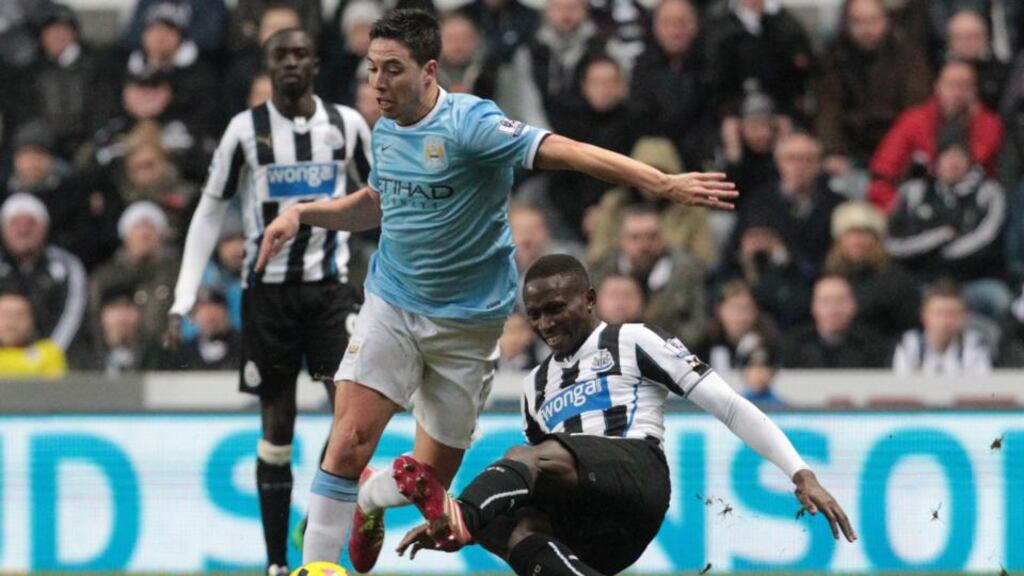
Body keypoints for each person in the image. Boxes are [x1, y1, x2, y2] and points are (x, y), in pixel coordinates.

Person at [254, 9, 736, 573]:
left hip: (468, 323)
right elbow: (377, 204)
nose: (377, 83)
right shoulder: (385, 130)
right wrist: (304, 214)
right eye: (372, 69)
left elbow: (569, 151)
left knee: (430, 481)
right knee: (349, 437)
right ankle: (313, 566)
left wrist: (661, 182)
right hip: (392, 303)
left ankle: (370, 498)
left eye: (392, 69)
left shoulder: (472, 125)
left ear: (429, 71)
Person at [390, 254, 854, 576]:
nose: (546, 323)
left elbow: (729, 405)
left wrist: (800, 472)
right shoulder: (535, 384)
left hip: (636, 476)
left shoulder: (633, 339)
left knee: (524, 459)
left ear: (590, 300)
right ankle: (468, 520)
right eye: (535, 314)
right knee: (510, 526)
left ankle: (460, 513)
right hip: (596, 526)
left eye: (556, 309)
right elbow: (539, 482)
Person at [166, 28, 371, 576]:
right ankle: (277, 563)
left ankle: (316, 519)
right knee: (277, 427)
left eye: (301, 54)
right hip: (268, 297)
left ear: (316, 63)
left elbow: (383, 198)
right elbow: (210, 210)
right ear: (267, 65)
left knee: (352, 417)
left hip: (330, 292)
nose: (291, 63)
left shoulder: (347, 125)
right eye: (281, 55)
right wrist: (183, 296)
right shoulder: (244, 131)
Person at [892, 278, 994, 375]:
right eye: (939, 313)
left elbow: (982, 383)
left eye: (952, 314)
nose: (945, 321)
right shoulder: (909, 344)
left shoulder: (975, 345)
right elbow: (900, 383)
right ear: (924, 315)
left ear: (964, 316)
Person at [0, 290, 67, 378]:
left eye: (19, 315)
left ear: (31, 321)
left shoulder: (48, 353)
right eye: (6, 315)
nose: (12, 322)